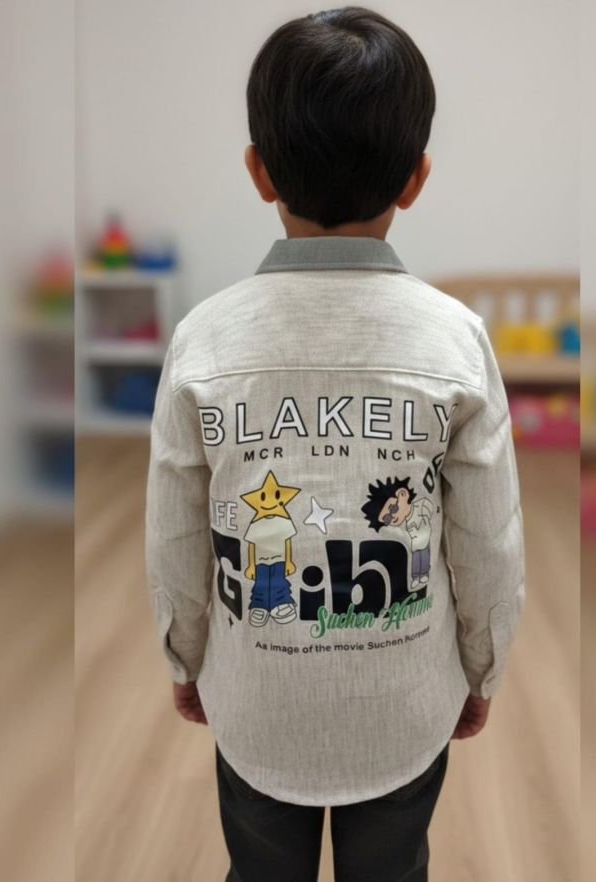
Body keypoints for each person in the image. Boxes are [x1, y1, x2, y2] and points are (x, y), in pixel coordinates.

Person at [145, 8, 526, 881]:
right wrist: (482, 667)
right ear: (416, 178)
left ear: (258, 171)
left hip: (256, 703)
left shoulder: (203, 339)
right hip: (403, 704)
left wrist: (184, 655)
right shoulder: (456, 340)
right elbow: (490, 539)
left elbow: (174, 532)